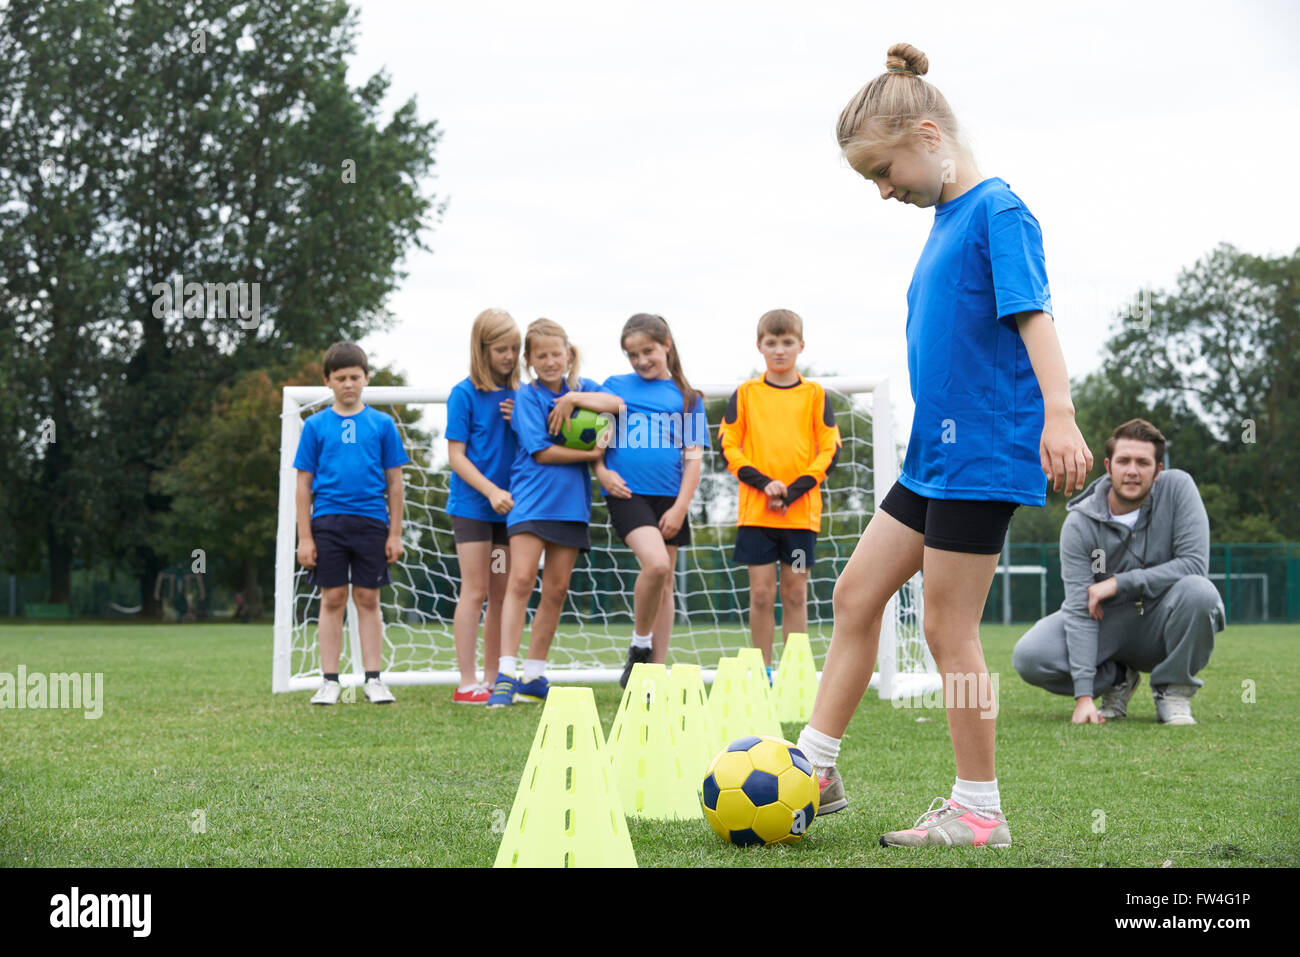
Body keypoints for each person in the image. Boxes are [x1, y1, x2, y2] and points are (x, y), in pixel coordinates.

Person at [793, 43, 1093, 847]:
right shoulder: (944, 220)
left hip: (983, 452)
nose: (884, 190)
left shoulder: (998, 210)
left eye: (884, 171)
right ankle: (814, 768)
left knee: (945, 629)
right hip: (933, 456)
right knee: (856, 596)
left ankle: (978, 809)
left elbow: (1035, 317)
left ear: (928, 134)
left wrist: (1059, 415)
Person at [1013, 419, 1224, 726]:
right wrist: (1083, 696)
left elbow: (1193, 565)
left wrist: (1118, 583)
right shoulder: (1080, 523)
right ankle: (1117, 678)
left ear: (1158, 470)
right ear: (1109, 467)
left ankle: (1173, 692)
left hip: (1162, 620)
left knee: (1201, 592)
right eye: (1124, 461)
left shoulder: (1179, 489)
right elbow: (1078, 608)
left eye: (1143, 462)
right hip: (1106, 624)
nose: (1133, 471)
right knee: (1029, 656)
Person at [487, 319, 624, 707]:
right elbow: (542, 451)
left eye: (556, 353)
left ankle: (533, 675)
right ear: (529, 360)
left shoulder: (583, 389)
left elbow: (618, 405)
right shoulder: (526, 397)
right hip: (530, 500)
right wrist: (593, 454)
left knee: (557, 589)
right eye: (541, 355)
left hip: (571, 505)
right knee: (521, 580)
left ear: (568, 354)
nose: (550, 361)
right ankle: (505, 673)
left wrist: (571, 401)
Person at [719, 309, 841, 683]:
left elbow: (830, 450)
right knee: (759, 595)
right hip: (756, 516)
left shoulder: (815, 394)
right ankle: (761, 672)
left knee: (795, 594)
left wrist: (792, 491)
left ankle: (795, 674)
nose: (780, 350)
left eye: (787, 342)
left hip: (800, 518)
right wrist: (764, 483)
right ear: (760, 346)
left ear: (800, 345)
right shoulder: (746, 394)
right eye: (771, 343)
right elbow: (727, 445)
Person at [596, 314, 708, 687]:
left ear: (666, 345)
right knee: (657, 565)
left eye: (648, 351)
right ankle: (639, 645)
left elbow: (694, 458)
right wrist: (601, 471)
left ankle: (652, 677)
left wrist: (680, 507)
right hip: (627, 494)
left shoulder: (689, 397)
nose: (641, 360)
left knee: (666, 584)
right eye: (632, 354)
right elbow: (597, 438)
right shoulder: (614, 387)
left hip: (670, 500)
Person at [294, 342, 409, 705]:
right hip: (327, 522)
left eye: (355, 377)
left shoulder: (382, 424)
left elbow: (395, 483)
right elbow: (303, 486)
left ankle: (373, 679)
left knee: (368, 597)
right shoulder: (314, 426)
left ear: (366, 378)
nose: (348, 384)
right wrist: (304, 538)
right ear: (327, 381)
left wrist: (395, 533)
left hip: (372, 523)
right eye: (340, 378)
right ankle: (330, 680)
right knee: (332, 598)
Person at [446, 309, 522, 704]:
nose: (509, 356)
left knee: (501, 592)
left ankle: (494, 679)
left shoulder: (522, 395)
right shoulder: (463, 394)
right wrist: (491, 491)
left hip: (510, 516)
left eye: (514, 349)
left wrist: (521, 421)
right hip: (473, 509)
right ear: (482, 349)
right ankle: (466, 681)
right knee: (474, 591)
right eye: (501, 350)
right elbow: (456, 456)